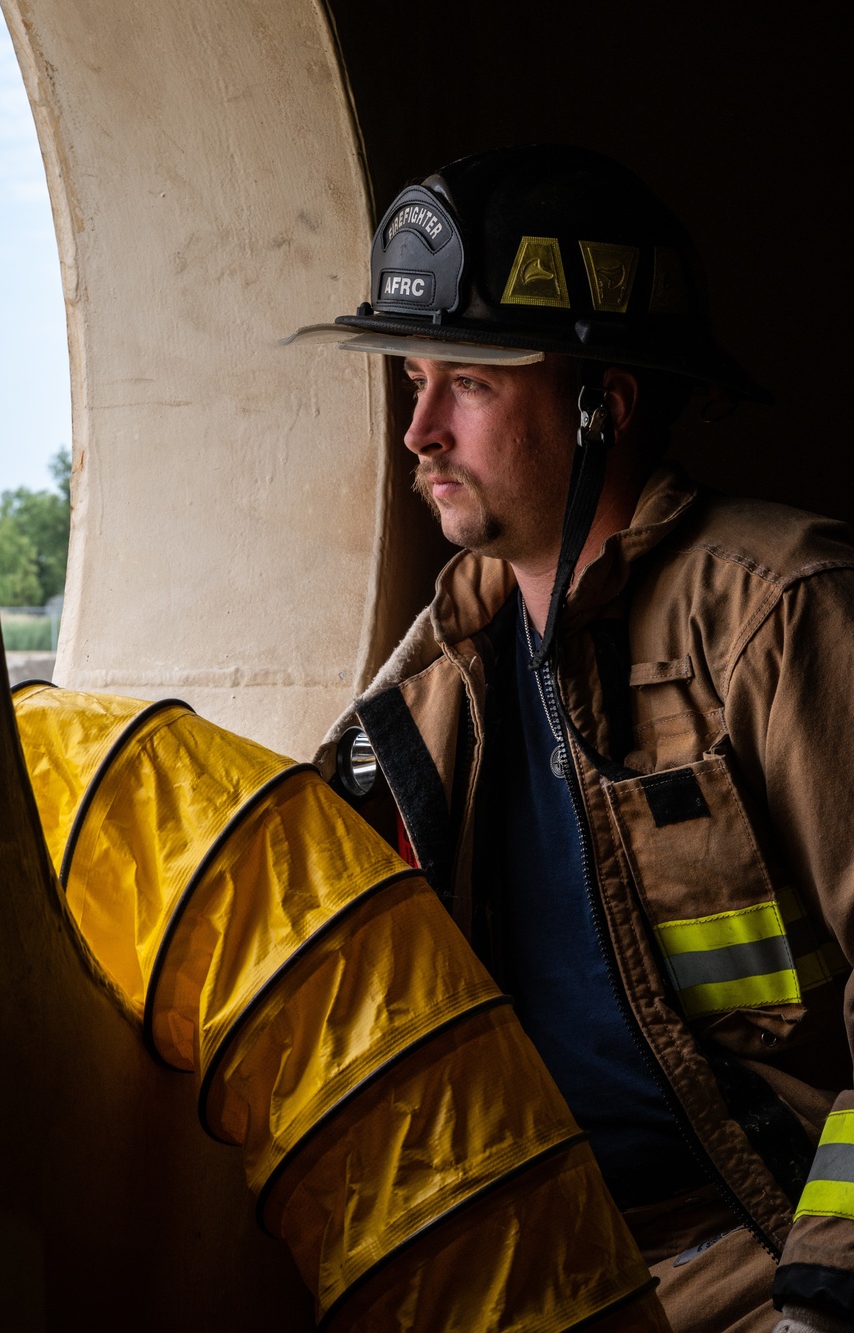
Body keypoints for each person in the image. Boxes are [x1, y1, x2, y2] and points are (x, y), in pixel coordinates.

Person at [287, 146, 854, 1332]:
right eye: (413, 380)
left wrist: (822, 1295)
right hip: (551, 1274)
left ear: (608, 401)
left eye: (472, 384)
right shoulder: (432, 685)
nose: (419, 433)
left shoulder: (778, 617)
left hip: (770, 1251)